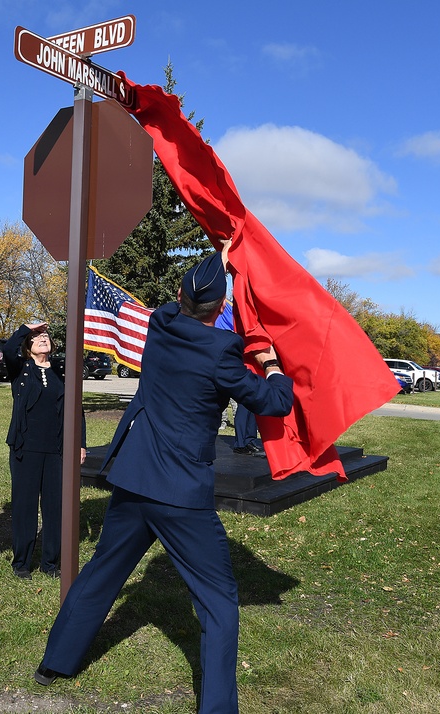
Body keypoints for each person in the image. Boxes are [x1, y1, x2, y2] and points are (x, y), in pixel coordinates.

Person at [33, 249, 294, 714]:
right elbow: (271, 402)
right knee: (218, 601)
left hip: (134, 478)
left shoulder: (160, 327)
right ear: (219, 311)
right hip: (180, 494)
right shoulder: (221, 350)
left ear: (179, 297)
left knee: (102, 571)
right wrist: (272, 362)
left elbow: (179, 305)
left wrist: (216, 260)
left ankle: (55, 662)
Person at [3, 322, 86, 580]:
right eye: (36, 337)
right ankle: (22, 563)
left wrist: (80, 442)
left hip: (57, 448)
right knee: (25, 505)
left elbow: (76, 408)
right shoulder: (20, 369)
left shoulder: (62, 370)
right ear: (28, 345)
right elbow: (8, 349)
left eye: (46, 336)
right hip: (25, 448)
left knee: (55, 507)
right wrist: (25, 328)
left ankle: (50, 563)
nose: (43, 338)